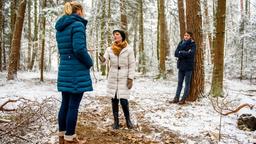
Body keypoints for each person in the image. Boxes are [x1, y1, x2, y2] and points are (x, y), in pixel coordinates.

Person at [55, 1, 92, 144]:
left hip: (65, 67)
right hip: (76, 70)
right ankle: (70, 137)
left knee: (65, 103)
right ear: (79, 11)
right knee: (73, 106)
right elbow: (79, 49)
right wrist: (89, 62)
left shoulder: (61, 27)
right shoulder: (77, 24)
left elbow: (67, 49)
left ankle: (62, 136)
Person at [99, 30, 135, 129]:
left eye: (117, 34)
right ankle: (116, 122)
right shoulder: (109, 49)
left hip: (124, 76)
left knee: (124, 100)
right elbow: (104, 62)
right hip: (113, 76)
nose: (115, 36)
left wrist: (130, 78)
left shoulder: (129, 49)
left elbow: (132, 65)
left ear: (122, 36)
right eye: (114, 35)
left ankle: (128, 121)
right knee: (114, 99)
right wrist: (102, 59)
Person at [170, 31, 196, 105]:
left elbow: (191, 54)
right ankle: (176, 98)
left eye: (187, 35)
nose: (186, 36)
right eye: (185, 35)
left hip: (188, 67)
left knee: (187, 84)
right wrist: (185, 52)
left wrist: (181, 53)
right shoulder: (181, 42)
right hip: (181, 66)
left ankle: (183, 99)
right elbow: (176, 53)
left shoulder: (192, 44)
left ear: (190, 36)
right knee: (179, 83)